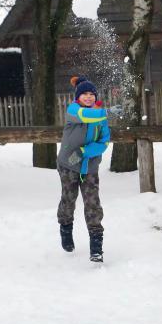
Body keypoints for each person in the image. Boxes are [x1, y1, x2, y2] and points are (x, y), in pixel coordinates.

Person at [57, 75, 111, 262]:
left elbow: (104, 142)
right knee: (69, 199)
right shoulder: (74, 110)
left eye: (92, 94)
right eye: (85, 94)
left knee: (93, 204)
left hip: (89, 166)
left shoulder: (100, 116)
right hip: (68, 165)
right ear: (78, 97)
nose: (88, 97)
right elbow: (86, 116)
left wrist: (85, 151)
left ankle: (96, 246)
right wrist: (107, 111)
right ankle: (65, 227)